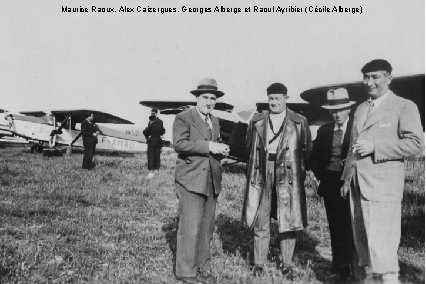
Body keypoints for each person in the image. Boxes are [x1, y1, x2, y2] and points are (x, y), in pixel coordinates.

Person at [340, 59, 423, 283]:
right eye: (366, 77)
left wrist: (376, 147)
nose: (370, 82)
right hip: (358, 188)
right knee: (363, 251)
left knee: (382, 252)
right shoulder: (360, 109)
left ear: (389, 78)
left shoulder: (404, 106)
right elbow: (352, 146)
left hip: (383, 191)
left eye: (375, 77)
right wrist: (346, 179)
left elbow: (416, 144)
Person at [242, 83, 312, 276]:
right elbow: (248, 145)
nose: (274, 102)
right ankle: (259, 263)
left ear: (286, 98)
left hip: (288, 173)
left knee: (287, 219)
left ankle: (287, 264)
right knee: (261, 218)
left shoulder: (299, 121)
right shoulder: (256, 120)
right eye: (271, 98)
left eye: (278, 98)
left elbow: (306, 149)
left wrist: (298, 170)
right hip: (262, 171)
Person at [173, 78, 230, 284]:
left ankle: (203, 266)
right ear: (197, 98)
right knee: (190, 226)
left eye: (213, 98)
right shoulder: (183, 117)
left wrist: (222, 149)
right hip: (190, 180)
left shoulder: (214, 121)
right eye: (205, 97)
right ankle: (186, 272)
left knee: (207, 226)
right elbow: (179, 144)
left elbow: (216, 143)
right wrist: (209, 146)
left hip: (211, 180)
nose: (209, 101)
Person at [309, 88, 356, 280]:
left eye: (341, 110)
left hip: (351, 184)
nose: (337, 114)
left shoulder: (357, 129)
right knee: (335, 225)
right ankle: (339, 267)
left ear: (349, 110)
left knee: (351, 226)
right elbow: (314, 157)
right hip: (330, 184)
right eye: (333, 111)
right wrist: (322, 175)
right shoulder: (325, 130)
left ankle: (355, 268)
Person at [143, 108, 165, 179]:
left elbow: (161, 131)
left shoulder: (160, 122)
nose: (152, 115)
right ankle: (152, 171)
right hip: (152, 141)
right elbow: (147, 132)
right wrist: (148, 137)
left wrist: (151, 125)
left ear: (156, 113)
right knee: (151, 157)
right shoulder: (150, 122)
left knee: (156, 157)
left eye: (154, 113)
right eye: (151, 113)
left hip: (157, 142)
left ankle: (153, 172)